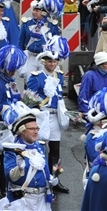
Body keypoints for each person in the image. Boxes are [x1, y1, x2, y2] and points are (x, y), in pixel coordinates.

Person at [25, 37, 71, 193]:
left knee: (55, 151)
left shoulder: (58, 76)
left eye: (55, 61)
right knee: (39, 150)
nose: (52, 64)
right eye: (49, 61)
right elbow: (28, 101)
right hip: (41, 117)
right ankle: (39, 179)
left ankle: (54, 180)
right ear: (43, 61)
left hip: (55, 118)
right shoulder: (36, 77)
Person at [0, 45, 27, 198]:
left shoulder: (10, 79)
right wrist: (10, 110)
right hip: (0, 126)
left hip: (9, 125)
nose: (14, 71)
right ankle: (3, 190)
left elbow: (15, 97)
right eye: (11, 69)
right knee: (2, 159)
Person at [1, 102, 54, 211]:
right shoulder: (12, 149)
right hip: (22, 200)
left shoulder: (40, 146)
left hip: (42, 199)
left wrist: (51, 180)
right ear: (22, 131)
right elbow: (10, 176)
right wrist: (20, 168)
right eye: (32, 129)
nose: (36, 131)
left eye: (37, 128)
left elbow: (45, 170)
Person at [18, 0, 63, 77]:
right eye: (34, 10)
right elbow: (20, 42)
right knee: (30, 81)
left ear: (44, 13)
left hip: (45, 59)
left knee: (45, 81)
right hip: (31, 57)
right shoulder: (26, 24)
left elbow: (55, 45)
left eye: (37, 11)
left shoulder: (52, 25)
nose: (34, 12)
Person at [77, 51, 107, 116]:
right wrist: (87, 113)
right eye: (105, 64)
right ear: (99, 64)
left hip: (106, 112)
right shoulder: (89, 76)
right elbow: (83, 96)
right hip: (93, 111)